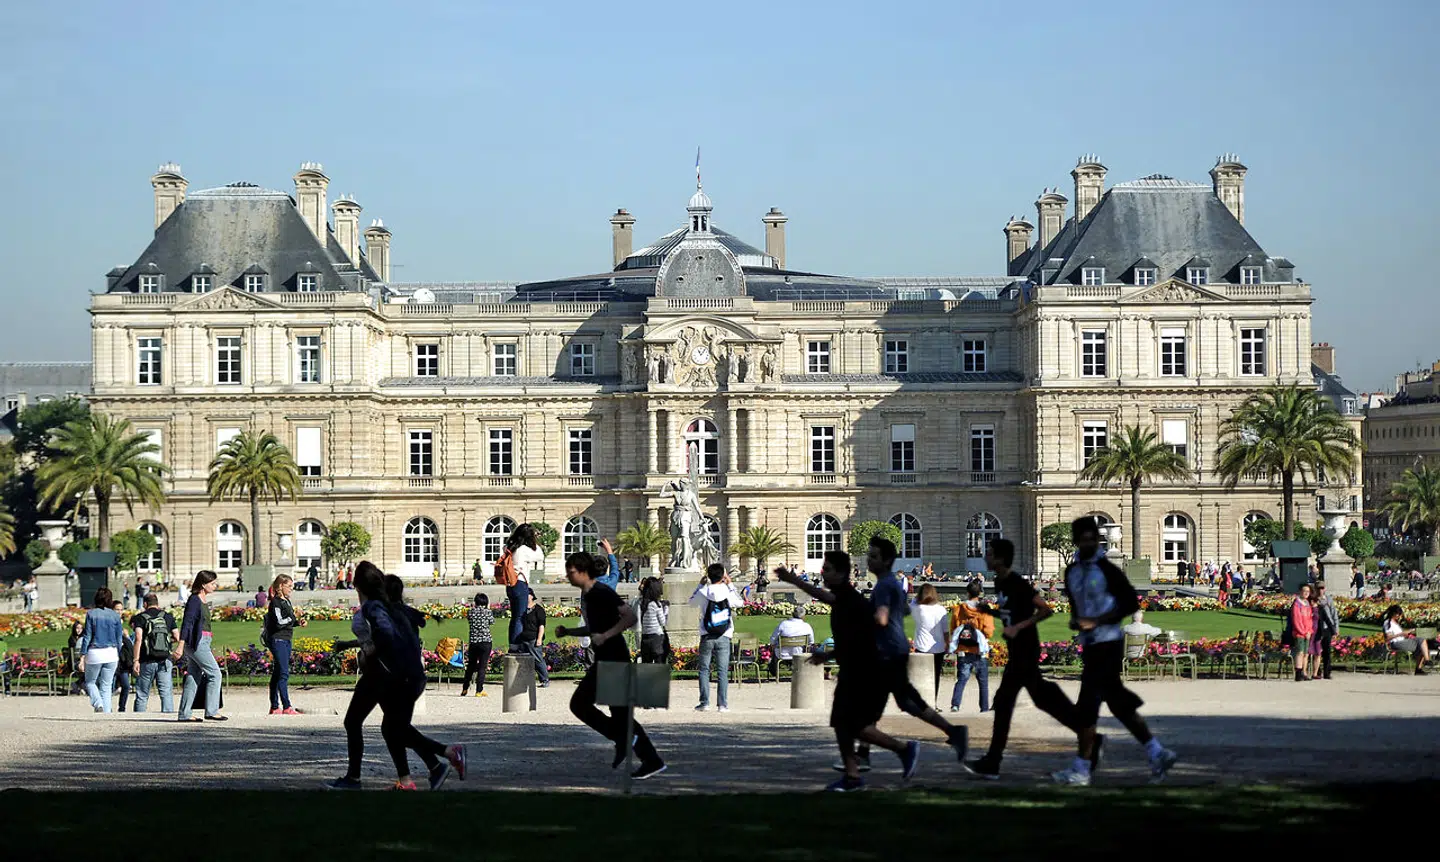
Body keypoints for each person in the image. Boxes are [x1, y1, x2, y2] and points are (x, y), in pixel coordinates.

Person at [778, 553, 920, 792]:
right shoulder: (846, 597)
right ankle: (853, 776)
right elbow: (850, 633)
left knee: (854, 725)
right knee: (842, 724)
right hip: (855, 668)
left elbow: (832, 605)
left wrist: (795, 581)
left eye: (828, 569)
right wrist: (829, 656)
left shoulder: (849, 598)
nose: (823, 573)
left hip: (865, 670)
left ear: (842, 573)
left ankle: (903, 750)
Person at [1051, 517, 1177, 786]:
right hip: (1092, 645)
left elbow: (1130, 603)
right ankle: (1156, 751)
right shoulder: (1072, 572)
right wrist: (1078, 622)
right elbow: (1077, 605)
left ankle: (1082, 768)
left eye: (1092, 539)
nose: (1088, 544)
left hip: (1108, 643)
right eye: (1083, 539)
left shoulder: (1108, 570)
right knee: (1117, 704)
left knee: (1087, 707)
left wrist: (1096, 621)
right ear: (1076, 541)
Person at [964, 539, 1078, 779]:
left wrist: (1018, 627)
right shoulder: (1000, 581)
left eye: (990, 553)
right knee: (1036, 699)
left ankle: (993, 762)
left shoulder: (1016, 582)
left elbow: (1045, 609)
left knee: (1005, 701)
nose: (985, 556)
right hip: (1018, 651)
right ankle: (1088, 734)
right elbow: (1011, 612)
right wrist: (990, 611)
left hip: (1026, 649)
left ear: (1000, 558)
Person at [346, 562, 465, 791]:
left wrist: (372, 651)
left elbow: (384, 635)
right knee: (394, 728)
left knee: (383, 726)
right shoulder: (397, 610)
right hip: (406, 675)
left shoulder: (375, 608)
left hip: (389, 675)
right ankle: (420, 773)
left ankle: (447, 754)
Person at [555, 551, 666, 780]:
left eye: (571, 571)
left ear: (583, 572)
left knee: (582, 705)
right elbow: (595, 627)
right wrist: (569, 631)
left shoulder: (601, 592)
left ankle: (633, 747)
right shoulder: (589, 595)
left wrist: (606, 636)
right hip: (605, 659)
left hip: (615, 659)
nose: (568, 576)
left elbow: (629, 617)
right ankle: (639, 752)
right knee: (618, 715)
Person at [864, 536, 968, 764]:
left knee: (885, 701)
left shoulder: (884, 585)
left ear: (886, 560)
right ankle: (952, 732)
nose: (868, 560)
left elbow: (881, 618)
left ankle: (875, 752)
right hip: (894, 649)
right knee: (899, 701)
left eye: (873, 556)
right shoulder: (893, 583)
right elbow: (902, 611)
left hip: (888, 652)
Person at [690, 563, 743, 712]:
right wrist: (730, 584)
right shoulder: (727, 591)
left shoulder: (704, 591)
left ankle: (704, 703)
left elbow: (691, 602)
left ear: (708, 576)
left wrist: (700, 585)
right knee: (722, 671)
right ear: (723, 576)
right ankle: (722, 704)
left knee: (704, 670)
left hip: (707, 634)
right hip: (724, 634)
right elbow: (740, 602)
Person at [177, 570, 226, 722]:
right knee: (215, 674)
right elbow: (187, 623)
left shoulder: (202, 599)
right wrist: (180, 645)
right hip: (197, 643)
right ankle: (211, 711)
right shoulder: (194, 600)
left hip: (203, 641)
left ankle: (184, 714)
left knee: (193, 677)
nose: (215, 585)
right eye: (212, 583)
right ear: (203, 584)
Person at [948, 579, 994, 714]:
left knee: (961, 679)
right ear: (979, 593)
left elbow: (953, 629)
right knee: (983, 682)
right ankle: (984, 708)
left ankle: (955, 705)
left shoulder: (959, 609)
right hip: (979, 650)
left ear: (967, 593)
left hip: (963, 648)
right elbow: (989, 631)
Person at [77, 588, 124, 714]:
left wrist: (82, 656)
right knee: (106, 686)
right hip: (111, 652)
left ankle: (98, 703)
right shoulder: (115, 615)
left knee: (90, 682)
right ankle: (106, 712)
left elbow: (87, 636)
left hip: (95, 652)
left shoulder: (91, 614)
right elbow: (119, 638)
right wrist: (118, 653)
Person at [131, 592, 179, 713]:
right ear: (157, 603)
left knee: (142, 693)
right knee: (166, 692)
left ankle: (138, 718)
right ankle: (167, 717)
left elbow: (138, 638)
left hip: (146, 659)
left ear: (145, 604)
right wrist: (167, 641)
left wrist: (135, 660)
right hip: (165, 659)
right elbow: (177, 636)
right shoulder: (167, 616)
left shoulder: (140, 617)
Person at [264, 574, 304, 715]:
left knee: (278, 673)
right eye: (289, 586)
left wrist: (298, 622)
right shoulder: (276, 602)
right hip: (278, 640)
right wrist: (292, 618)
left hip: (286, 638)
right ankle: (286, 706)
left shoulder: (286, 601)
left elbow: (288, 621)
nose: (291, 589)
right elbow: (279, 622)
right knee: (283, 673)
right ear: (281, 586)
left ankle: (274, 706)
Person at [504, 524, 545, 646]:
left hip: (510, 584)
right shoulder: (524, 550)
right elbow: (540, 555)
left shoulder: (509, 547)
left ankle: (513, 645)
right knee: (520, 617)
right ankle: (518, 645)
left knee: (514, 617)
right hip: (520, 583)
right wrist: (535, 540)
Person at [910, 584, 949, 705]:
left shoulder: (917, 608)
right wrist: (948, 644)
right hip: (938, 647)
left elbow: (913, 601)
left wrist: (919, 597)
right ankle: (933, 702)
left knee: (920, 677)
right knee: (935, 677)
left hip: (922, 646)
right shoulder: (941, 610)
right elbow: (945, 631)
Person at [459, 592, 494, 697]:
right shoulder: (487, 612)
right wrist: (488, 608)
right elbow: (492, 622)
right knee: (482, 666)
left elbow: (469, 619)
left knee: (471, 665)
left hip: (474, 641)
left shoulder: (470, 612)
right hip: (485, 641)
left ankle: (465, 688)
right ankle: (479, 690)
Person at [516, 587, 550, 687]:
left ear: (531, 596)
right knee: (524, 661)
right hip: (523, 638)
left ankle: (545, 679)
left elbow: (541, 625)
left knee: (537, 659)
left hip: (533, 638)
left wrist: (539, 639)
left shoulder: (538, 610)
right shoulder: (523, 609)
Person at [767, 606, 815, 677]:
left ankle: (774, 672)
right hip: (799, 653)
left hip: (782, 654)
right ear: (803, 616)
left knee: (774, 648)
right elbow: (811, 642)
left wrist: (773, 645)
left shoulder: (783, 624)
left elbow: (772, 640)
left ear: (792, 614)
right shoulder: (807, 626)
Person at [1382, 604, 1430, 674]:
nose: (1399, 616)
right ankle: (1426, 661)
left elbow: (1400, 635)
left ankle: (1419, 668)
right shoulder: (1387, 623)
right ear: (1393, 613)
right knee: (1421, 642)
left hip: (1402, 641)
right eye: (1398, 614)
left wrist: (1407, 634)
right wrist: (1401, 633)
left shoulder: (1396, 623)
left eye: (1399, 614)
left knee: (1422, 644)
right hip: (1395, 644)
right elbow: (1388, 637)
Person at [637, 577, 670, 665]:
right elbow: (663, 622)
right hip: (656, 637)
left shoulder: (642, 603)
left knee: (646, 664)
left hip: (645, 637)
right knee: (659, 663)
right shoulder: (656, 604)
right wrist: (666, 608)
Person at [1289, 583, 1316, 681]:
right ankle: (1298, 673)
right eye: (1304, 591)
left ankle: (1304, 673)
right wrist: (1303, 632)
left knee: (1305, 653)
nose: (1306, 593)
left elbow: (1309, 619)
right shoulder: (1297, 604)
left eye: (1308, 591)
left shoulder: (1307, 603)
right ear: (1300, 592)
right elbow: (1297, 619)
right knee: (1300, 652)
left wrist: (1309, 631)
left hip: (1307, 633)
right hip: (1299, 633)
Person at [1312, 582, 1338, 680]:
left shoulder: (1328, 599)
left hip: (1327, 628)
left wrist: (1335, 629)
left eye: (1322, 588)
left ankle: (1327, 672)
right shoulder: (1313, 600)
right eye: (1318, 588)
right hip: (1317, 629)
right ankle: (1317, 671)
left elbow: (1334, 614)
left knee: (1327, 651)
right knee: (1316, 651)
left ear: (1325, 589)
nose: (1320, 590)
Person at [113, 602, 134, 712]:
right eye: (117, 609)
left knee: (126, 685)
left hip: (122, 660)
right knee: (108, 686)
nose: (119, 612)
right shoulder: (110, 623)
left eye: (121, 609)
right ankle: (106, 707)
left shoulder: (121, 624)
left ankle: (122, 708)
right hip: (112, 657)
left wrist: (126, 636)